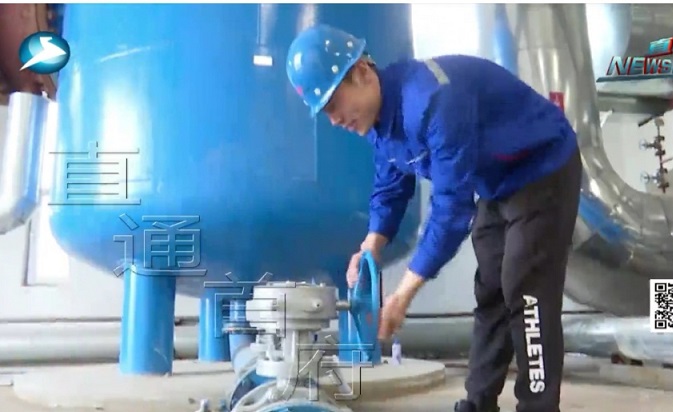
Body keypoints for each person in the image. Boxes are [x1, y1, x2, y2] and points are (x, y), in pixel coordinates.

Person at [286, 24, 582, 412]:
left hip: (542, 166)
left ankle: (538, 407)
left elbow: (452, 211)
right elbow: (391, 187)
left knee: (525, 290)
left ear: (361, 73)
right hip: (495, 180)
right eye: (324, 112)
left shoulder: (432, 100)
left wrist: (402, 296)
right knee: (491, 289)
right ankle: (478, 403)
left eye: (332, 104)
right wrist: (370, 247)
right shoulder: (378, 121)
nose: (334, 120)